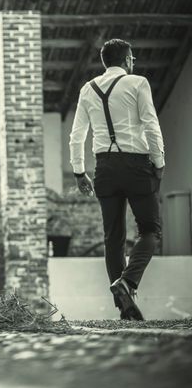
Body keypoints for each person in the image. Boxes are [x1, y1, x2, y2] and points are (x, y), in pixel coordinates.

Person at [69, 38, 165, 320]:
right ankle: (128, 282)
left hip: (104, 167)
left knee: (113, 237)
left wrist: (78, 171)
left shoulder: (88, 89)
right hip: (136, 164)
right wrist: (159, 161)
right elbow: (151, 123)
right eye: (131, 59)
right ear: (127, 60)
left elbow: (77, 135)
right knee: (151, 231)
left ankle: (124, 305)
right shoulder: (138, 83)